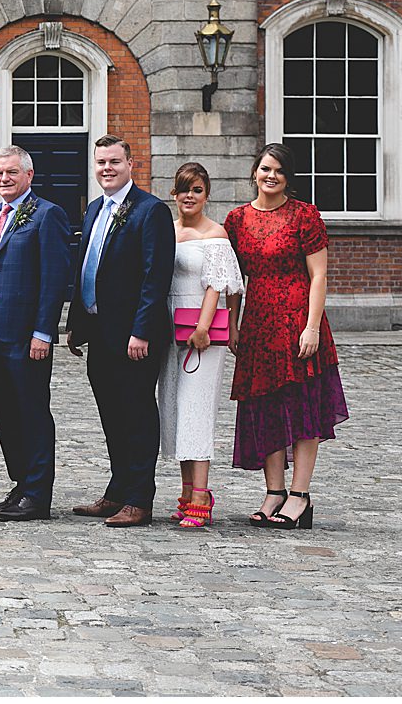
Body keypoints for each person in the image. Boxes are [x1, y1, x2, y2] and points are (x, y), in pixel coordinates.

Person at [224, 144, 348, 531]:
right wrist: (232, 323)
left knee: (302, 409)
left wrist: (311, 326)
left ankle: (299, 496)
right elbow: (232, 281)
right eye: (264, 168)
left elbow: (319, 276)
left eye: (278, 170)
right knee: (266, 409)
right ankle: (273, 492)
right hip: (259, 326)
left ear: (287, 176)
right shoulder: (237, 219)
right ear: (254, 171)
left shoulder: (304, 215)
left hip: (297, 323)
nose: (270, 176)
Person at [66, 135, 175, 527]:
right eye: (100, 163)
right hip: (99, 331)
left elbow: (154, 277)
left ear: (131, 164)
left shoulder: (150, 211)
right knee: (111, 414)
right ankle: (117, 491)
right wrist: (76, 327)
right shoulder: (95, 209)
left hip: (134, 335)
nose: (107, 169)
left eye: (114, 162)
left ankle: (139, 499)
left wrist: (142, 331)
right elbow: (86, 269)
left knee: (137, 413)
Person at [0, 145, 72, 523]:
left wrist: (44, 332)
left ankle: (37, 494)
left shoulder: (48, 215)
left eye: (11, 172)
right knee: (6, 414)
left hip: (27, 336)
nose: (4, 179)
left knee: (31, 413)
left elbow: (54, 279)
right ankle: (20, 485)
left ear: (29, 175)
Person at [160, 162, 243, 529]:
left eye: (196, 190)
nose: (188, 197)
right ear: (173, 194)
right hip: (170, 328)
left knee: (197, 407)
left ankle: (202, 495)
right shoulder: (169, 231)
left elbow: (217, 285)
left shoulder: (216, 233)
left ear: (206, 195)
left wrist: (203, 327)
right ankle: (186, 489)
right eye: (183, 190)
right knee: (175, 407)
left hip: (202, 333)